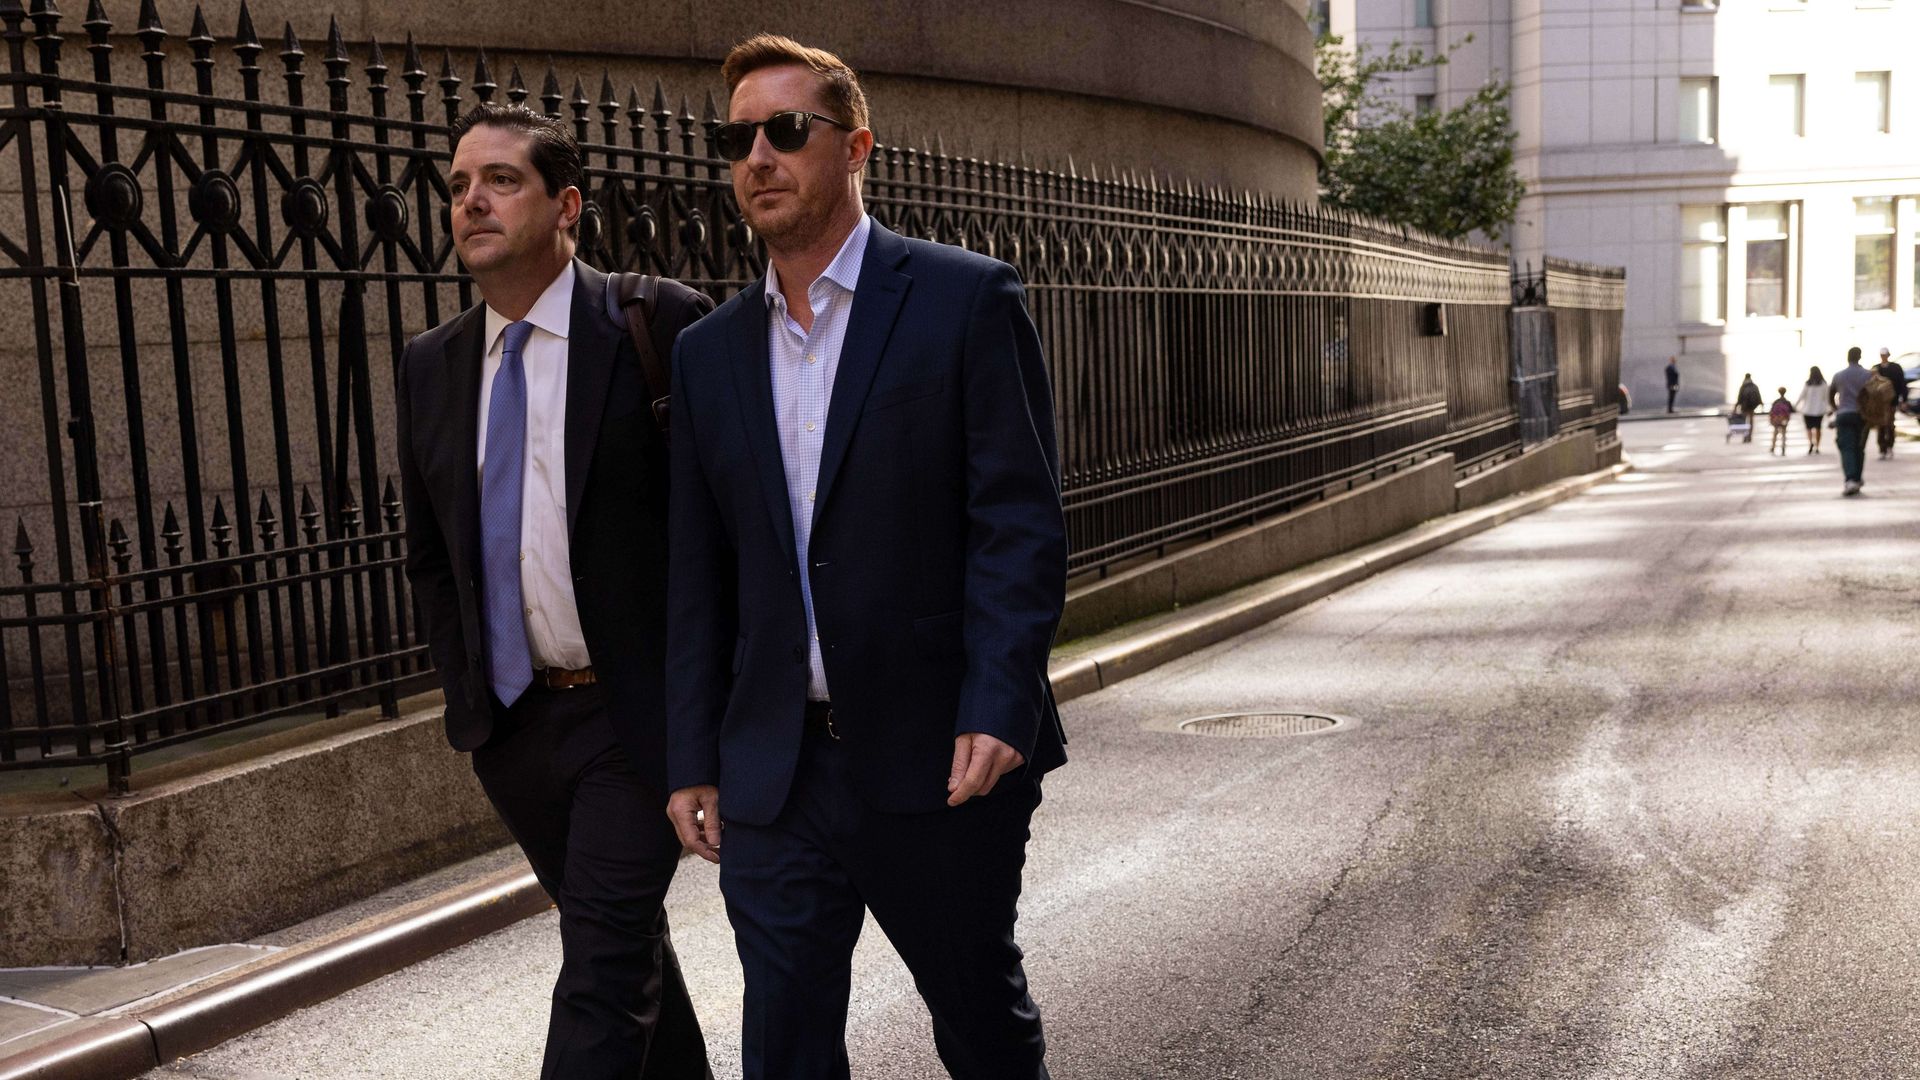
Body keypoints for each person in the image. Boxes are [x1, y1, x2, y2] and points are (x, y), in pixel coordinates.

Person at [664, 35, 1067, 1080]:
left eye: (787, 130)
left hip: (940, 758)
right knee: (785, 1046)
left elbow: (1016, 525)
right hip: (777, 771)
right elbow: (698, 572)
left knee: (977, 1017)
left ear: (856, 148)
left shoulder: (963, 301)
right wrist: (693, 757)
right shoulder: (708, 354)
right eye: (738, 136)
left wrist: (999, 701)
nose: (758, 155)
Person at [395, 103, 713, 1080]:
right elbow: (433, 556)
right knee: (621, 948)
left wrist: (702, 720)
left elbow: (720, 533)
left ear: (566, 204)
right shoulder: (431, 364)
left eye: (500, 181)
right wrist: (472, 698)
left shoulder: (652, 322)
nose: (471, 201)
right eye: (457, 187)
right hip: (517, 730)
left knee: (600, 976)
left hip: (633, 720)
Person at [1829, 346, 1873, 495]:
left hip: (1844, 414)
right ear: (1860, 357)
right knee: (1859, 447)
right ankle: (1857, 478)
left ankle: (1850, 479)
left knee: (1847, 447)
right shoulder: (1868, 375)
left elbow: (1831, 394)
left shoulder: (1839, 375)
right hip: (1862, 416)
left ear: (1848, 357)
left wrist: (1836, 409)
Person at [1871, 346, 1908, 458]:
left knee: (1890, 425)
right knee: (1881, 425)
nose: (1883, 357)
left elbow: (1902, 384)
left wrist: (1904, 400)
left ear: (1888, 355)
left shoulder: (1895, 368)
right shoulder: (1876, 369)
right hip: (1879, 404)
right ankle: (1882, 449)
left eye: (1885, 355)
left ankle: (1890, 446)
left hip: (1892, 402)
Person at [1795, 366, 1827, 454]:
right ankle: (1817, 446)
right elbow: (1826, 397)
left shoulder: (1808, 383)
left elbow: (1802, 395)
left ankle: (1810, 443)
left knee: (1809, 428)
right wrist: (1829, 409)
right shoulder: (1823, 383)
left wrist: (1795, 406)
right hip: (1819, 410)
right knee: (1818, 428)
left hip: (1808, 410)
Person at [1735, 374, 1763, 443]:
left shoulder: (1743, 386)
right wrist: (1761, 404)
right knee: (1751, 422)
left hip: (1744, 407)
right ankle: (1750, 436)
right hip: (1752, 407)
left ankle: (1745, 437)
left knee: (1744, 422)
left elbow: (1739, 397)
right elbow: (1758, 396)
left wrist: (1736, 407)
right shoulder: (1754, 386)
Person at [1767, 387, 1793, 455]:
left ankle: (1773, 447)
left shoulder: (1776, 401)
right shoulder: (1787, 402)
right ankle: (1783, 447)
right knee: (1784, 433)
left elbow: (1771, 411)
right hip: (1784, 419)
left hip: (1776, 419)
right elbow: (1791, 410)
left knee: (1775, 433)